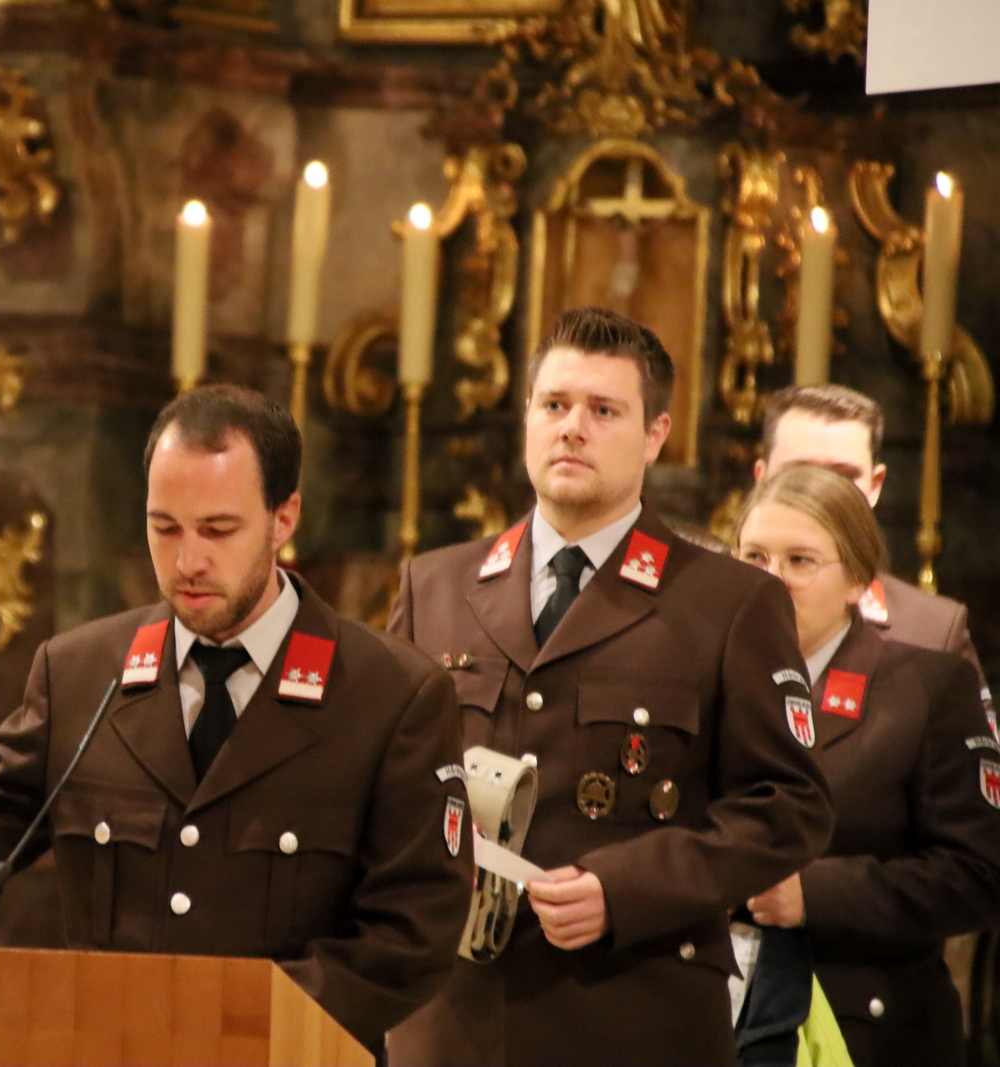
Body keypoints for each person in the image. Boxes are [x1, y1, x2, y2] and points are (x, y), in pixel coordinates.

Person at [0, 384, 470, 1055]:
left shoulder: (388, 694)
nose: (188, 561)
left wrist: (228, 1023)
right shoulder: (81, 674)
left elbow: (412, 934)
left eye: (218, 530)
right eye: (164, 527)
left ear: (284, 518)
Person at [387, 307, 834, 1067]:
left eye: (603, 410)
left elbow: (789, 807)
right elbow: (381, 783)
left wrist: (625, 890)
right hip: (455, 1018)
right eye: (554, 405)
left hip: (633, 1013)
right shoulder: (435, 585)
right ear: (527, 418)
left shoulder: (729, 602)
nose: (572, 429)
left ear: (655, 434)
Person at [734, 464, 1000, 1067]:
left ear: (857, 579)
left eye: (800, 561)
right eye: (753, 557)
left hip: (864, 1024)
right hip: (715, 1015)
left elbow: (979, 874)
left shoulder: (927, 687)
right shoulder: (706, 679)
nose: (769, 581)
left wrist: (814, 894)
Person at [756, 384, 987, 692]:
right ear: (761, 478)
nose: (820, 495)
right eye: (800, 473)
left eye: (843, 477)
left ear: (875, 486)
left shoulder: (933, 633)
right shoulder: (704, 611)